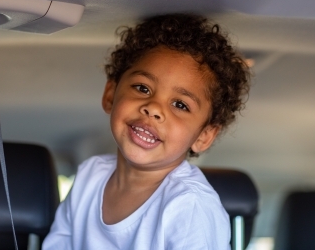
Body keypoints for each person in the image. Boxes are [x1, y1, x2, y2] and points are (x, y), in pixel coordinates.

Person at [42, 13, 250, 250]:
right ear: (110, 94)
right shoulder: (90, 177)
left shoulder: (189, 206)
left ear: (204, 136)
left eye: (180, 105)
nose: (153, 108)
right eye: (143, 88)